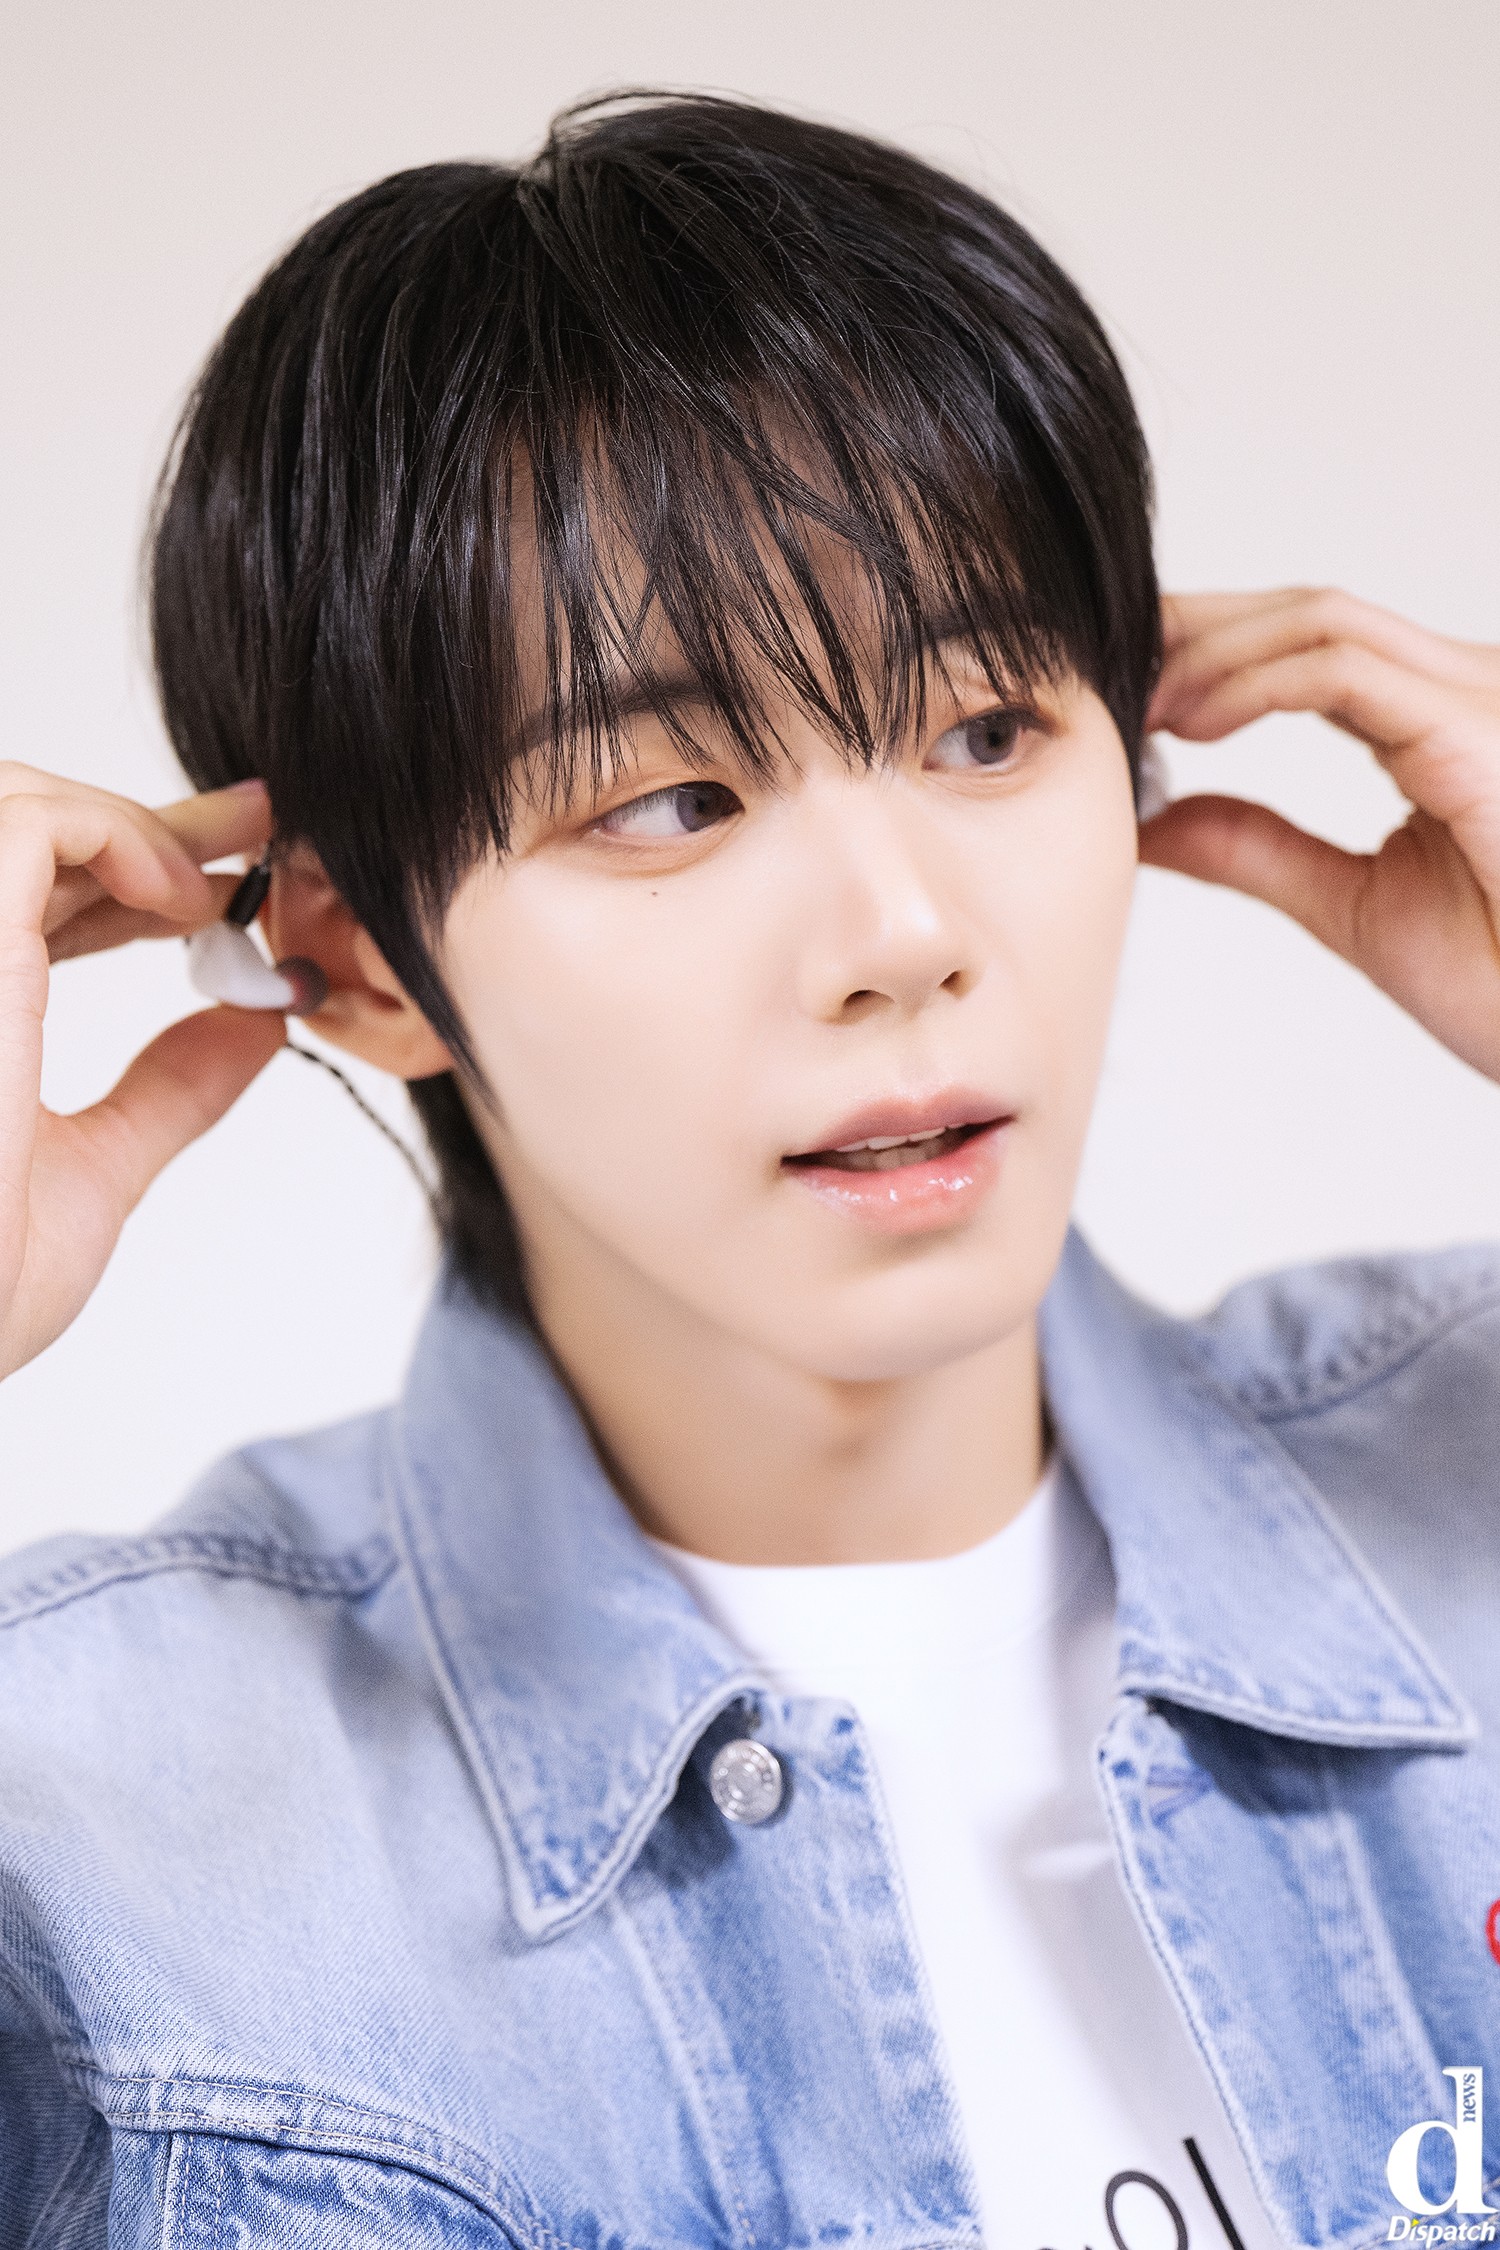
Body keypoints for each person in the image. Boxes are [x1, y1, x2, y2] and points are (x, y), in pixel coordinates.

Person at [1, 90, 1497, 2250]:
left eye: (986, 730)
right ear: (359, 955)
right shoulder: (105, 1829)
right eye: (674, 801)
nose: (904, 936)